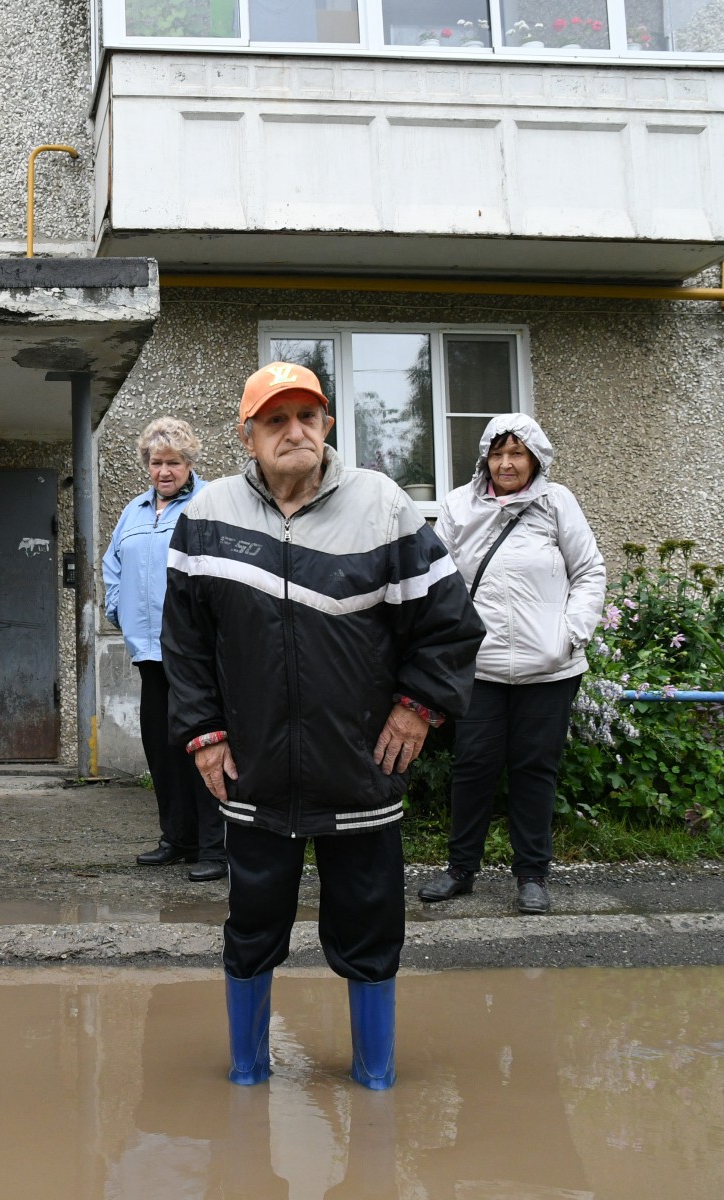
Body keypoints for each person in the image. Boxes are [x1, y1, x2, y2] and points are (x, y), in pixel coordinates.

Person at [163, 362, 484, 1089]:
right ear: (247, 435)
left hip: (360, 771)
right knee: (250, 931)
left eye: (308, 416)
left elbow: (449, 624)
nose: (294, 431)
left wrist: (417, 706)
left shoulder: (384, 506)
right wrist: (204, 733)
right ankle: (248, 1071)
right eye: (275, 420)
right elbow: (184, 648)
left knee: (371, 931)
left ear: (328, 426)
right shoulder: (207, 515)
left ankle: (374, 1075)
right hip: (254, 773)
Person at [418, 413, 605, 916]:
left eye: (516, 454)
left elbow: (589, 571)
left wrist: (571, 635)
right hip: (480, 667)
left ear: (534, 459)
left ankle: (532, 876)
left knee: (534, 769)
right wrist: (448, 644)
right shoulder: (459, 505)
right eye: (497, 454)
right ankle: (461, 870)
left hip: (550, 668)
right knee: (473, 767)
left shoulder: (556, 502)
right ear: (485, 458)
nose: (506, 463)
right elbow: (439, 579)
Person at [103, 416, 226, 882]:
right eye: (156, 463)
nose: (164, 471)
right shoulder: (134, 512)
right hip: (149, 653)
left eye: (173, 462)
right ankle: (178, 839)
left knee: (204, 744)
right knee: (162, 748)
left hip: (196, 652)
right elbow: (112, 564)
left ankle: (216, 848)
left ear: (189, 462)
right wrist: (119, 610)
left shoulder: (209, 503)